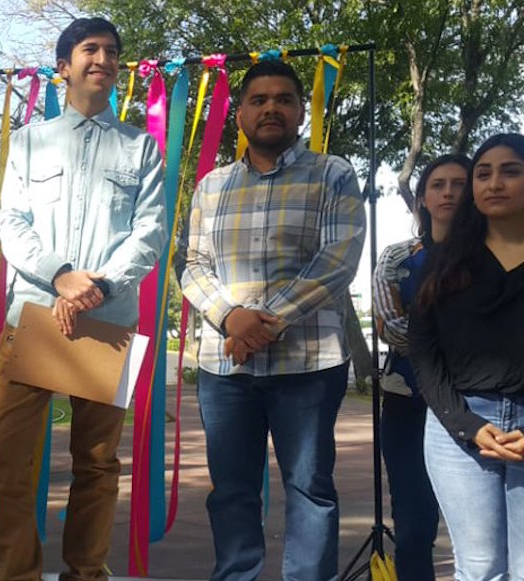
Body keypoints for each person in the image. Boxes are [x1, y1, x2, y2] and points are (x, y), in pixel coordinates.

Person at [0, 17, 165, 581]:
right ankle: (19, 575)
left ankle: (86, 573)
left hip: (108, 319)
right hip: (33, 315)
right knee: (8, 462)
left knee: (97, 463)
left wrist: (97, 287)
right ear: (64, 66)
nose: (103, 59)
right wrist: (61, 276)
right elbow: (11, 221)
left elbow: (150, 232)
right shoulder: (29, 141)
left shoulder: (141, 146)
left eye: (112, 51)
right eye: (90, 49)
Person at [179, 60, 365, 580]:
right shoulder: (212, 186)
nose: (271, 108)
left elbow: (338, 260)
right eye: (258, 100)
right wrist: (230, 318)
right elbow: (192, 264)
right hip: (225, 369)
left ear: (301, 111)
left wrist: (263, 323)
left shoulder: (333, 174)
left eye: (284, 99)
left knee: (310, 488)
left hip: (308, 365)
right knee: (232, 491)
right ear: (240, 114)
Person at [411, 133, 524, 580]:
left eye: (510, 171)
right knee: (480, 569)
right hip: (458, 428)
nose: (494, 183)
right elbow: (424, 352)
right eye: (483, 173)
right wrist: (467, 425)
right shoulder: (444, 262)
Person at [372, 154, 468, 580]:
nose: (448, 193)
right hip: (408, 405)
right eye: (438, 185)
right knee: (413, 528)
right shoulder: (398, 258)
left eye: (459, 184)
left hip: (482, 406)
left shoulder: (500, 255)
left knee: (488, 528)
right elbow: (390, 328)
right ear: (422, 200)